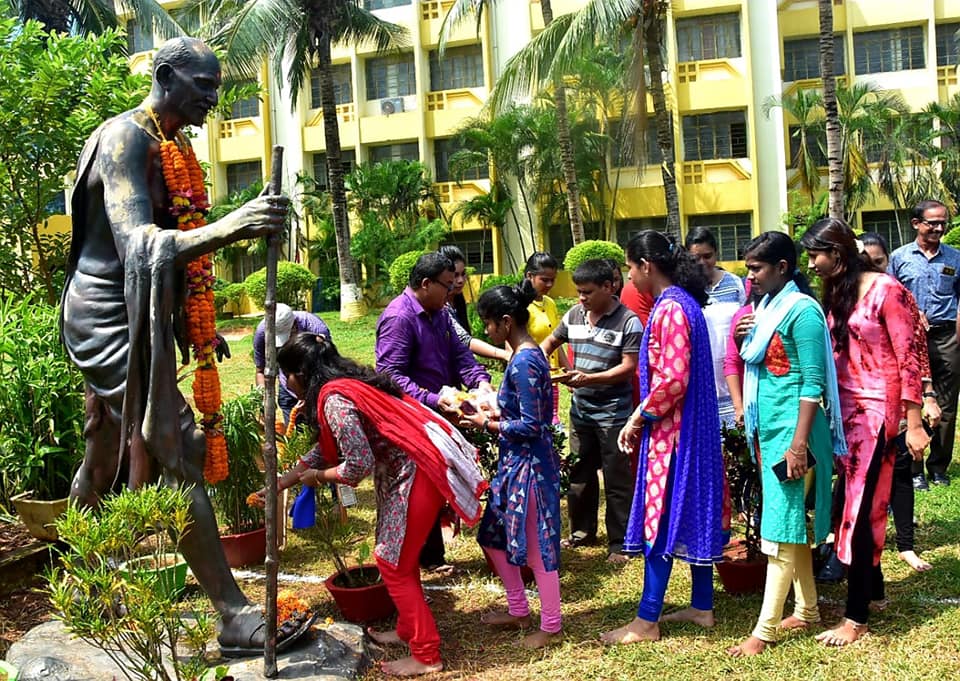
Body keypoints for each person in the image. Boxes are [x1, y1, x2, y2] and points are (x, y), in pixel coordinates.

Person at [59, 37, 301, 654]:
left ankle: (79, 576)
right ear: (166, 77)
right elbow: (137, 241)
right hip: (107, 315)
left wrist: (195, 323)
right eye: (203, 88)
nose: (213, 102)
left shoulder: (171, 145)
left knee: (108, 446)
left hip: (145, 311)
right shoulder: (125, 140)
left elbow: (165, 248)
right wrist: (234, 226)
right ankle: (232, 613)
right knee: (180, 444)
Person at [265, 334, 488, 676]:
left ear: (299, 373)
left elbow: (357, 464)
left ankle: (426, 655)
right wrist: (283, 481)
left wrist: (318, 478)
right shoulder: (343, 385)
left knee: (391, 561)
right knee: (399, 556)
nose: (286, 384)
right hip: (403, 473)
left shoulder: (334, 401)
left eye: (286, 376)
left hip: (414, 474)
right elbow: (327, 448)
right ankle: (407, 630)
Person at [801, 218, 930, 646]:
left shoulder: (886, 290)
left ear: (836, 253)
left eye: (816, 254)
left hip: (878, 416)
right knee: (857, 505)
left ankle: (855, 618)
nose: (812, 263)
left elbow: (910, 355)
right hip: (845, 414)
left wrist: (913, 423)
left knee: (858, 511)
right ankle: (873, 593)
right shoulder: (838, 290)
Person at [601, 231, 727, 645]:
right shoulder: (685, 303)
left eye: (630, 268)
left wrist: (638, 417)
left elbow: (672, 380)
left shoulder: (671, 309)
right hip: (694, 428)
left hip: (674, 434)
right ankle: (702, 605)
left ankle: (647, 619)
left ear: (646, 265)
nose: (629, 278)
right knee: (691, 507)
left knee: (660, 516)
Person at [727, 232, 846, 657]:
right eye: (747, 269)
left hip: (796, 436)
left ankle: (765, 630)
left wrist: (798, 446)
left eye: (757, 269)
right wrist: (744, 337)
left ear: (782, 267)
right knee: (788, 519)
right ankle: (808, 609)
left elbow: (812, 383)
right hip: (771, 430)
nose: (750, 277)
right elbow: (761, 362)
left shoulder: (802, 313)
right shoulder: (764, 310)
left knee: (778, 529)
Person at [460, 281, 562, 649]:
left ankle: (551, 626)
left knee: (536, 548)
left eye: (488, 324)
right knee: (492, 537)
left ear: (506, 322)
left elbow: (533, 425)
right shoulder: (523, 359)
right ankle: (519, 608)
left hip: (530, 469)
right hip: (513, 464)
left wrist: (485, 423)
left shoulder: (525, 362)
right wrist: (490, 408)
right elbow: (522, 411)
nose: (486, 332)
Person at [376, 252, 493, 574]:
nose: (453, 289)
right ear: (425, 284)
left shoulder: (440, 313)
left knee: (437, 479)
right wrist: (430, 398)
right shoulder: (400, 318)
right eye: (446, 284)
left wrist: (479, 381)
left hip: (439, 411)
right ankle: (423, 558)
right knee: (418, 484)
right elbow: (389, 375)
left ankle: (431, 554)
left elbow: (460, 355)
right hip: (412, 415)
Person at [541, 259, 641, 563]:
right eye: (578, 292)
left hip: (613, 414)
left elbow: (628, 367)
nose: (581, 298)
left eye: (587, 292)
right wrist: (536, 358)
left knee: (617, 478)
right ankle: (582, 532)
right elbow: (549, 342)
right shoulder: (574, 315)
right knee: (580, 474)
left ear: (609, 287)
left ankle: (620, 542)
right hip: (581, 411)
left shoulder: (628, 321)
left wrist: (588, 379)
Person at [862, 232, 940, 572]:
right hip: (863, 409)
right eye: (868, 262)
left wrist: (927, 397)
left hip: (899, 399)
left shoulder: (899, 297)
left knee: (902, 473)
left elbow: (916, 353)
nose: (876, 269)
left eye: (880, 262)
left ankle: (906, 545)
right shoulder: (847, 296)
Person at [887, 199, 960, 488]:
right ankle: (914, 467)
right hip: (908, 340)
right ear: (916, 223)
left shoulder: (955, 258)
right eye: (932, 222)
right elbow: (889, 297)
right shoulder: (899, 258)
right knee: (911, 399)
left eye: (943, 223)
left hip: (946, 336)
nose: (938, 228)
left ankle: (938, 466)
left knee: (946, 401)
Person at [686, 226, 746, 426]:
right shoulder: (685, 292)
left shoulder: (736, 284)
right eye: (695, 258)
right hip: (700, 378)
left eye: (707, 256)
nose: (702, 263)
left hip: (734, 375)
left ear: (716, 253)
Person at [253, 303, 330, 424]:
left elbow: (326, 367)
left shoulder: (314, 328)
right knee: (294, 435)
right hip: (287, 389)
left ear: (294, 325)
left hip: (315, 385)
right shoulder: (262, 332)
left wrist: (309, 397)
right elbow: (260, 370)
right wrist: (264, 397)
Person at [437, 245, 509, 362]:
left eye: (463, 274)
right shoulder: (439, 305)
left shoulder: (458, 299)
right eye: (455, 275)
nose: (460, 280)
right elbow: (465, 340)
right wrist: (505, 354)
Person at [522, 252, 568, 424]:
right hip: (531, 379)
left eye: (552, 280)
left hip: (553, 379)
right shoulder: (521, 306)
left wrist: (568, 371)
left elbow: (556, 341)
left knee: (552, 427)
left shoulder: (550, 303)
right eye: (544, 279)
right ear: (530, 276)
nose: (549, 284)